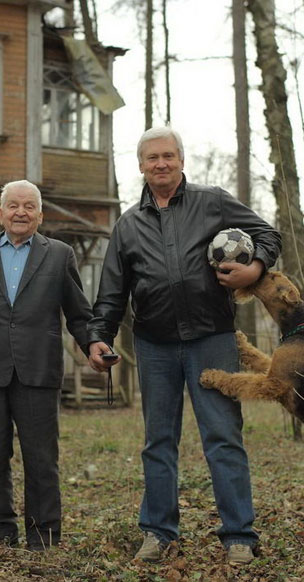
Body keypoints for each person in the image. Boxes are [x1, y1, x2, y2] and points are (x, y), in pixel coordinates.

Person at [87, 126, 281, 565]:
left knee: (223, 437)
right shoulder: (127, 225)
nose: (161, 163)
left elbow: (268, 235)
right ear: (140, 165)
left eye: (168, 156)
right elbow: (112, 292)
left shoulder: (212, 201)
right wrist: (99, 335)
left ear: (180, 160)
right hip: (154, 346)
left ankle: (238, 536)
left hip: (211, 340)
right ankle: (158, 533)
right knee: (158, 441)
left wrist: (254, 270)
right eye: (152, 157)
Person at [0, 179, 92, 551]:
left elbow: (79, 314)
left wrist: (94, 344)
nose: (20, 212)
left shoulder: (58, 255)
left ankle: (43, 534)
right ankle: (2, 529)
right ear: (0, 213)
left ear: (40, 215)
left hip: (39, 370)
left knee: (41, 457)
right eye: (13, 206)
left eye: (28, 206)